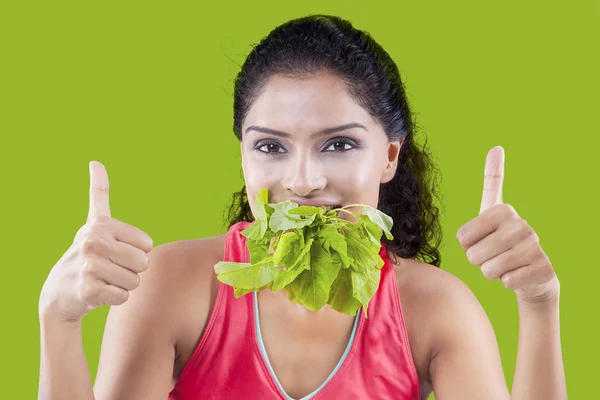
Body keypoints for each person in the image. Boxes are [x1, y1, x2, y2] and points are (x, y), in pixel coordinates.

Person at [38, 14, 567, 400]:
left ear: (388, 157)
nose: (304, 181)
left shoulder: (435, 308)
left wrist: (539, 303)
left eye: (339, 144)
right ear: (244, 158)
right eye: (270, 146)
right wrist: (58, 320)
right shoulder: (169, 285)